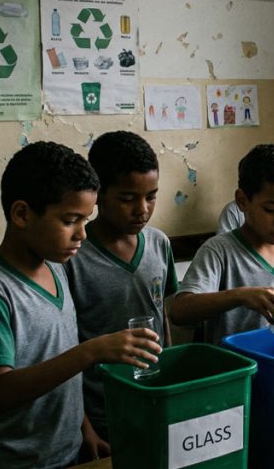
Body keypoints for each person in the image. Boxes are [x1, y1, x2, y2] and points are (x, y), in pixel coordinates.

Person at [0, 142, 161, 468]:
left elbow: (59, 363)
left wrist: (84, 429)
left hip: (63, 452)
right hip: (7, 462)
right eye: (70, 220)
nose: (82, 234)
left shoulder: (55, 268)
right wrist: (90, 352)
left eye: (86, 219)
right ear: (22, 214)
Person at [65, 131, 178, 442]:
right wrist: (82, 424)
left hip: (154, 395)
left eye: (151, 196)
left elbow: (162, 313)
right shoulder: (73, 256)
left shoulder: (159, 244)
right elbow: (65, 345)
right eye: (128, 199)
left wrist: (169, 374)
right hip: (100, 408)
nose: (142, 208)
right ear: (98, 194)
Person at [170, 144, 274, 344]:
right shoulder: (219, 251)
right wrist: (239, 296)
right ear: (243, 201)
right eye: (271, 209)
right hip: (235, 371)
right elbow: (179, 311)